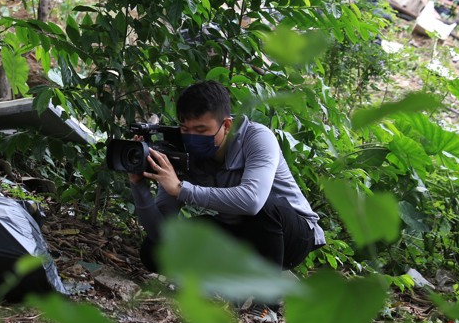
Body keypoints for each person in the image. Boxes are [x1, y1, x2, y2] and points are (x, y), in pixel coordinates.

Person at [130, 80, 325, 274]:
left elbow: (253, 201)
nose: (191, 137)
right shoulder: (183, 152)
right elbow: (162, 233)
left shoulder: (257, 138)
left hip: (293, 235)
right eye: (185, 129)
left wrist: (182, 189)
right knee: (155, 250)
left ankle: (266, 303)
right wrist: (139, 186)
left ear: (227, 125)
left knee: (264, 208)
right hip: (239, 232)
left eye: (201, 130)